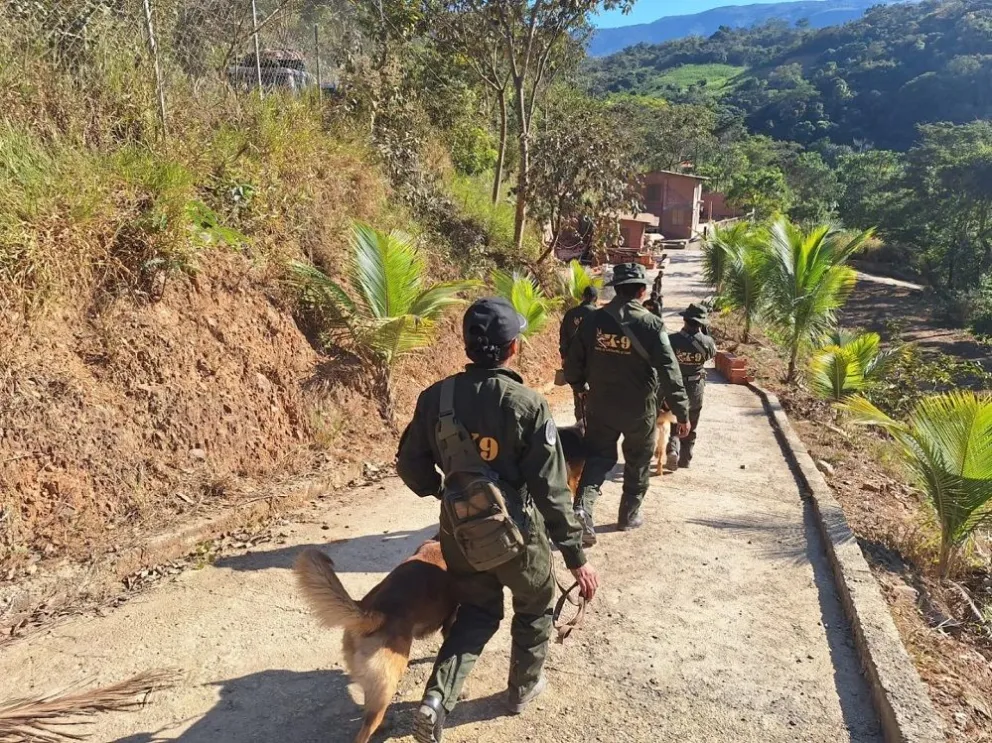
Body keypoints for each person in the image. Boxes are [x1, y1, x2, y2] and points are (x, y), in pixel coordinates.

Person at [396, 297, 599, 743]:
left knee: (476, 612)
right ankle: (521, 690)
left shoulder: (435, 398)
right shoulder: (527, 403)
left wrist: (445, 496)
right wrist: (575, 556)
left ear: (468, 345)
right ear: (512, 347)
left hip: (460, 535)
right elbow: (551, 490)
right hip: (520, 537)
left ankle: (435, 700)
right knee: (534, 606)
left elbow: (410, 465)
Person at [564, 263, 691, 545]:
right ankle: (629, 514)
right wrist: (682, 412)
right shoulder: (651, 324)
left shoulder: (593, 321)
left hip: (600, 406)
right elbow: (670, 372)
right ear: (642, 291)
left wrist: (578, 387)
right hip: (640, 409)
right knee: (637, 460)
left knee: (597, 458)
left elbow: (573, 362)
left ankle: (583, 509)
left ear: (616, 288)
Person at [665, 303, 718, 471]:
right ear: (701, 323)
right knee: (692, 422)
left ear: (684, 320)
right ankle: (686, 458)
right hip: (695, 388)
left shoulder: (671, 340)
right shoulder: (708, 342)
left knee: (673, 418)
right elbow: (712, 354)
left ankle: (672, 449)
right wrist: (704, 334)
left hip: (674, 387)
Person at [559, 286, 599, 427]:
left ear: (583, 296)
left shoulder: (570, 314)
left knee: (578, 392)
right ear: (595, 298)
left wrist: (564, 357)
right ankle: (593, 425)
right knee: (594, 394)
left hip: (573, 362)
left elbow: (563, 337)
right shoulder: (598, 315)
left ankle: (580, 424)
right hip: (593, 363)